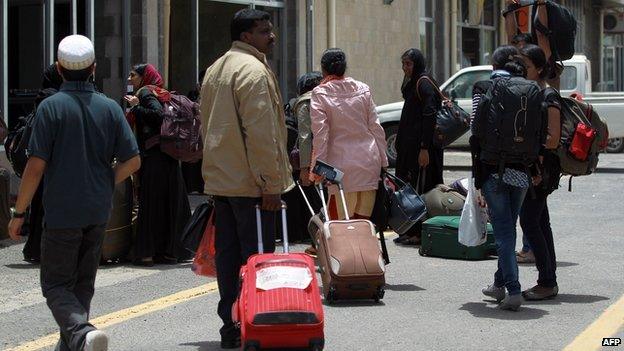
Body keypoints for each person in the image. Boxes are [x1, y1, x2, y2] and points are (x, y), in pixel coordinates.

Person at [8, 35, 140, 351]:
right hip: (97, 210)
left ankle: (80, 334)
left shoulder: (50, 108)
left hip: (62, 211)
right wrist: (108, 181)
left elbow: (35, 166)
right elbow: (133, 160)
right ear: (94, 68)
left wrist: (19, 213)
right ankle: (77, 342)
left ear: (59, 68)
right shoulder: (110, 107)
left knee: (55, 284)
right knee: (82, 284)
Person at [199, 9, 294, 349]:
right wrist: (270, 184)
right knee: (256, 260)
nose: (272, 36)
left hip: (223, 182)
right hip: (251, 185)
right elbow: (261, 133)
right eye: (265, 31)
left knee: (228, 258)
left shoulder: (215, 69)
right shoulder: (253, 70)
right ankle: (256, 321)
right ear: (245, 36)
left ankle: (231, 325)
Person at [470, 45, 535, 311]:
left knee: (504, 233)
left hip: (493, 170)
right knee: (509, 230)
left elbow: (475, 127)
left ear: (494, 65)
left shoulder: (484, 87)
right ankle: (498, 285)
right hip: (521, 170)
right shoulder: (528, 89)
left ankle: (513, 289)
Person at [125, 63, 191, 266]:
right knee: (169, 204)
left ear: (145, 77)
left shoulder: (145, 92)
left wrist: (137, 106)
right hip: (168, 157)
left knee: (151, 205)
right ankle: (169, 252)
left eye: (133, 75)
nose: (129, 79)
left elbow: (158, 116)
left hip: (155, 158)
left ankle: (147, 253)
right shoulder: (160, 92)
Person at [310, 48, 388, 220]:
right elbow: (376, 128)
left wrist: (318, 170)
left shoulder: (320, 93)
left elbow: (321, 136)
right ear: (344, 68)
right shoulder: (363, 89)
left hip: (338, 172)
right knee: (362, 224)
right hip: (369, 164)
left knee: (340, 228)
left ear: (323, 69)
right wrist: (383, 162)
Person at [518, 44, 562, 300]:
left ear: (539, 69)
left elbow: (553, 138)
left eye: (527, 66)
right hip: (534, 168)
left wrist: (535, 157)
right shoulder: (534, 94)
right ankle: (549, 279)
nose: (523, 71)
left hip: (542, 171)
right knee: (541, 222)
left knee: (530, 221)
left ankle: (547, 281)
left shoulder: (549, 97)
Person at [394, 48, 444, 245]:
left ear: (417, 64)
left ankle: (420, 231)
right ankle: (410, 228)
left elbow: (429, 114)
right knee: (409, 187)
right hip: (410, 147)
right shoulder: (414, 82)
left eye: (409, 64)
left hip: (422, 149)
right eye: (403, 63)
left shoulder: (423, 82)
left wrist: (424, 148)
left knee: (420, 188)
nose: (405, 68)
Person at [22, 64, 64, 263]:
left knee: (41, 205)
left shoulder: (45, 97)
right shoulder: (54, 100)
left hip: (46, 161)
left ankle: (36, 249)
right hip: (53, 162)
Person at [292, 71, 323, 255]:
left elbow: (304, 137)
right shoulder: (329, 97)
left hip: (316, 160)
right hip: (339, 156)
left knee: (317, 202)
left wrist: (305, 168)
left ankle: (319, 242)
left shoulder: (305, 102)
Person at [504, 0, 561, 89]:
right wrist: (509, 6)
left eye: (523, 51)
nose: (519, 55)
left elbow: (541, 35)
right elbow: (511, 36)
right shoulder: (514, 62)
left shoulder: (542, 63)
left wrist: (541, 4)